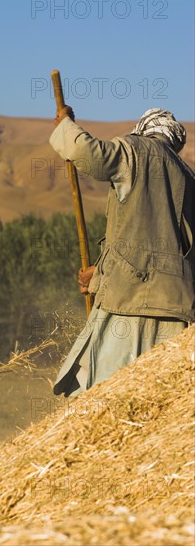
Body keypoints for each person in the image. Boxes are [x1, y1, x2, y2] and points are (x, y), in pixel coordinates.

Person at [49, 108, 195, 397]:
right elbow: (155, 241)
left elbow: (84, 152)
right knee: (158, 398)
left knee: (102, 394)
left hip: (130, 304)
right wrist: (100, 272)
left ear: (143, 129)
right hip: (178, 310)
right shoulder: (188, 176)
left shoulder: (136, 151)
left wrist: (65, 125)